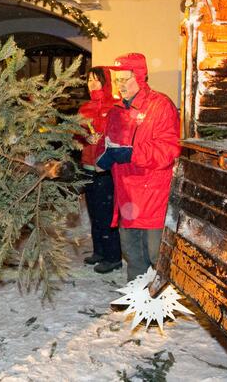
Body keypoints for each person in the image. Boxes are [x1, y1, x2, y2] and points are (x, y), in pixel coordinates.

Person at [96, 53, 181, 282]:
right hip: (127, 195)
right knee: (133, 255)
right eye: (116, 80)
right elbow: (105, 144)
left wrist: (133, 153)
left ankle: (159, 307)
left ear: (140, 77)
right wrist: (101, 157)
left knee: (156, 255)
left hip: (153, 193)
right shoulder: (115, 112)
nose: (119, 85)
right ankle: (137, 303)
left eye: (125, 79)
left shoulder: (160, 105)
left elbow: (169, 149)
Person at [78, 66, 122, 274]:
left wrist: (102, 138)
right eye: (88, 80)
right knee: (94, 212)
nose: (91, 84)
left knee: (107, 213)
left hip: (105, 169)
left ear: (105, 83)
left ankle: (113, 257)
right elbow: (73, 135)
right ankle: (99, 251)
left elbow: (118, 135)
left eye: (96, 80)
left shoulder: (114, 107)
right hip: (87, 167)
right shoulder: (84, 108)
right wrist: (83, 138)